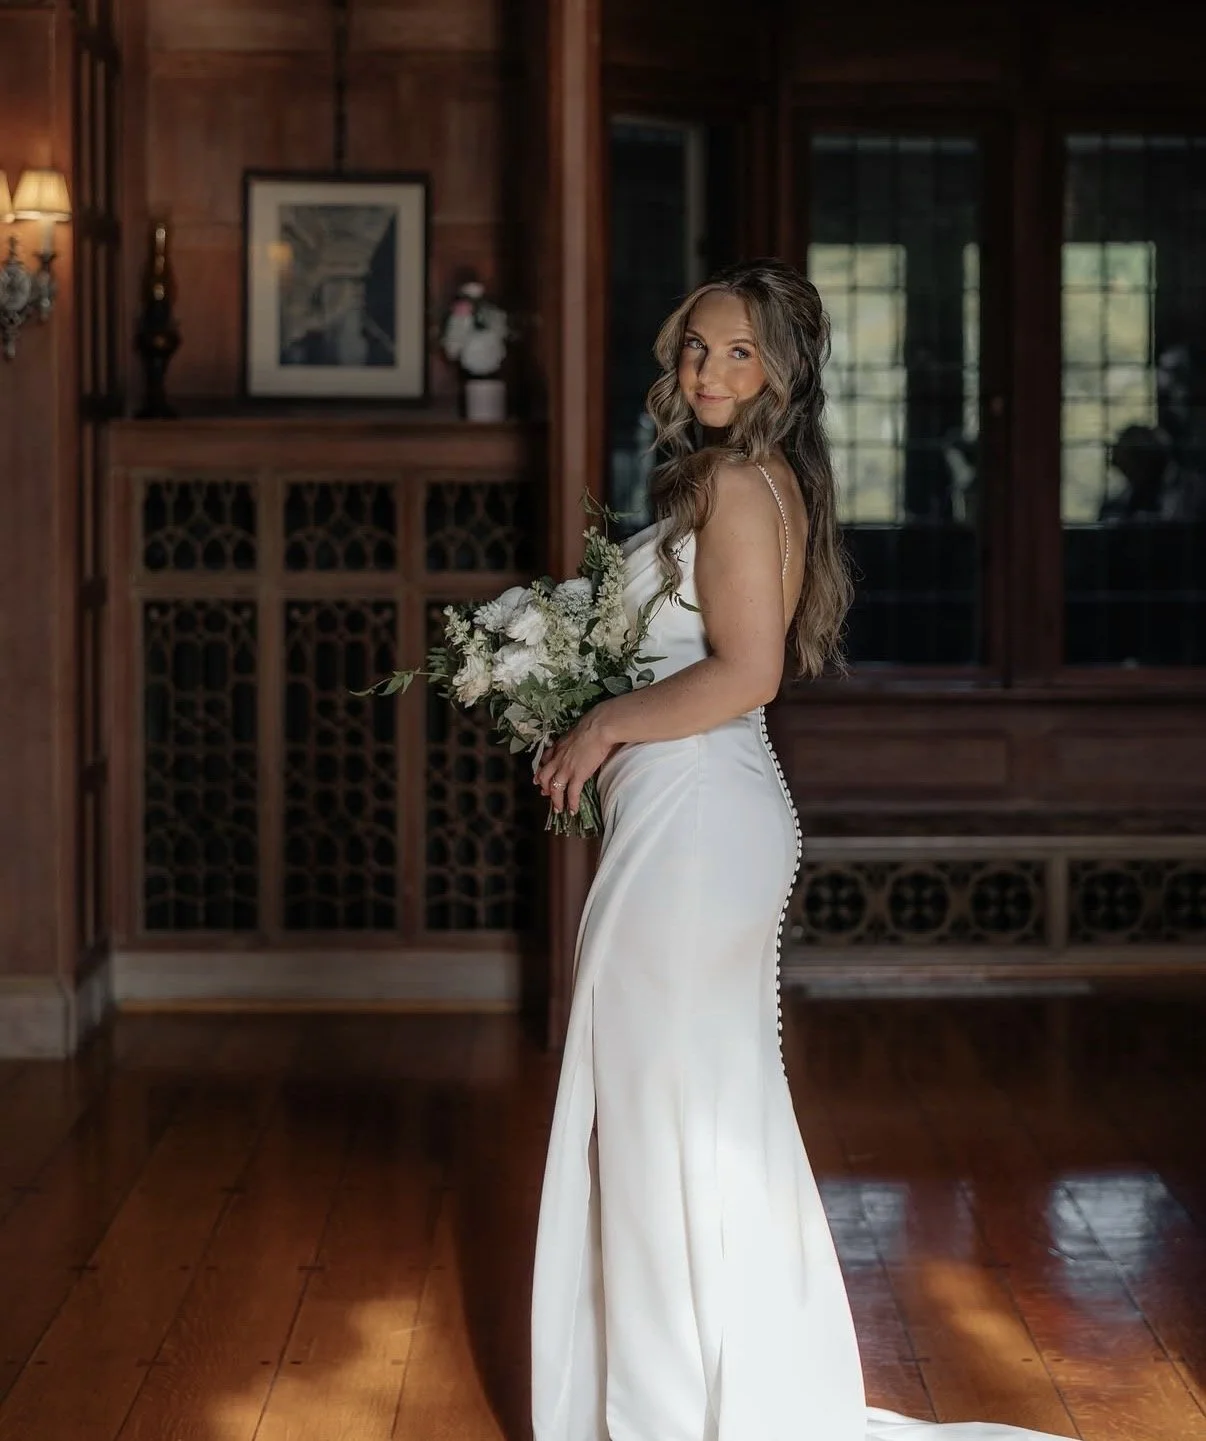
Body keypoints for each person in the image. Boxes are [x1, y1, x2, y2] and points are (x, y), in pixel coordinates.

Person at [530, 259, 1072, 1441]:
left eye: (739, 351)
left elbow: (747, 673)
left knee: (670, 1105)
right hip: (693, 816)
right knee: (690, 1106)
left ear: (782, 370)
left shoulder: (735, 485)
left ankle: (675, 1405)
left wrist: (604, 717)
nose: (711, 369)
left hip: (700, 821)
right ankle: (706, 1384)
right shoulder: (739, 479)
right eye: (695, 347)